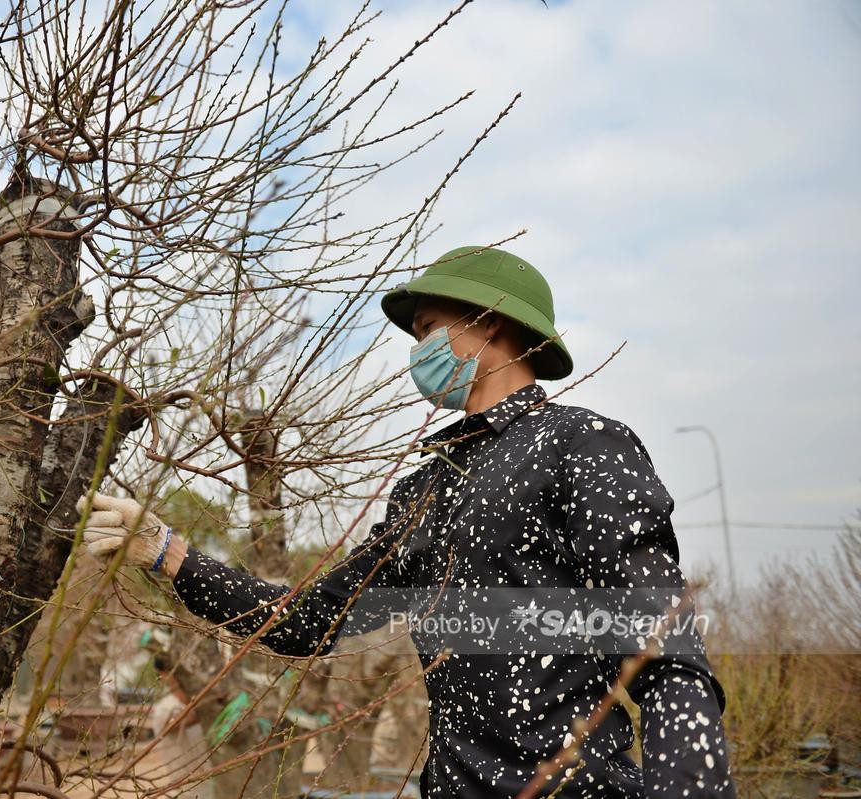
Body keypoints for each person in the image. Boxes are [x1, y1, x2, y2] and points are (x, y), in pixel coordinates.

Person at [75, 246, 737, 798]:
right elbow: (308, 619)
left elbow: (663, 646)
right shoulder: (423, 492)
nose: (417, 348)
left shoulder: (580, 443)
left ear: (491, 320)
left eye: (426, 328)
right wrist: (168, 550)